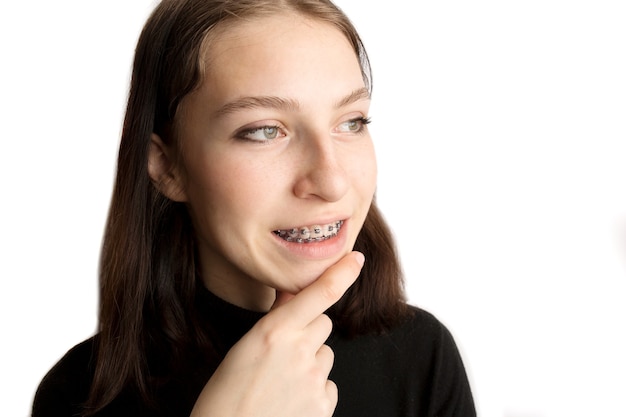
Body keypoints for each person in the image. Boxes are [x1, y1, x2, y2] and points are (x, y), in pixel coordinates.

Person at [32, 0, 476, 416]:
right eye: (265, 131)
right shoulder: (78, 395)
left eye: (351, 122)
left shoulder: (422, 357)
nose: (331, 180)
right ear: (168, 166)